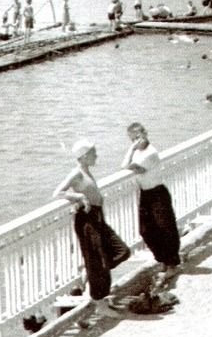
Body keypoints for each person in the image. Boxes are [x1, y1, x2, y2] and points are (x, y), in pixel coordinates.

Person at [54, 140, 131, 319]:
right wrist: (79, 197)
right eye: (93, 153)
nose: (96, 156)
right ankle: (100, 303)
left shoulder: (86, 171)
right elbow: (57, 193)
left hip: (97, 217)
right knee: (98, 262)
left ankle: (90, 272)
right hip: (86, 220)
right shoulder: (76, 173)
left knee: (122, 251)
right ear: (83, 156)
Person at [120, 122, 181, 284]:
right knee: (146, 231)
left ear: (145, 133)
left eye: (138, 137)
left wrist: (132, 149)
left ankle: (172, 264)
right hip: (145, 194)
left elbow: (127, 166)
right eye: (132, 139)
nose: (136, 141)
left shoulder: (150, 153)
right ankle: (163, 260)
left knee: (165, 229)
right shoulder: (137, 152)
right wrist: (133, 148)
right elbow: (125, 166)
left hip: (157, 194)